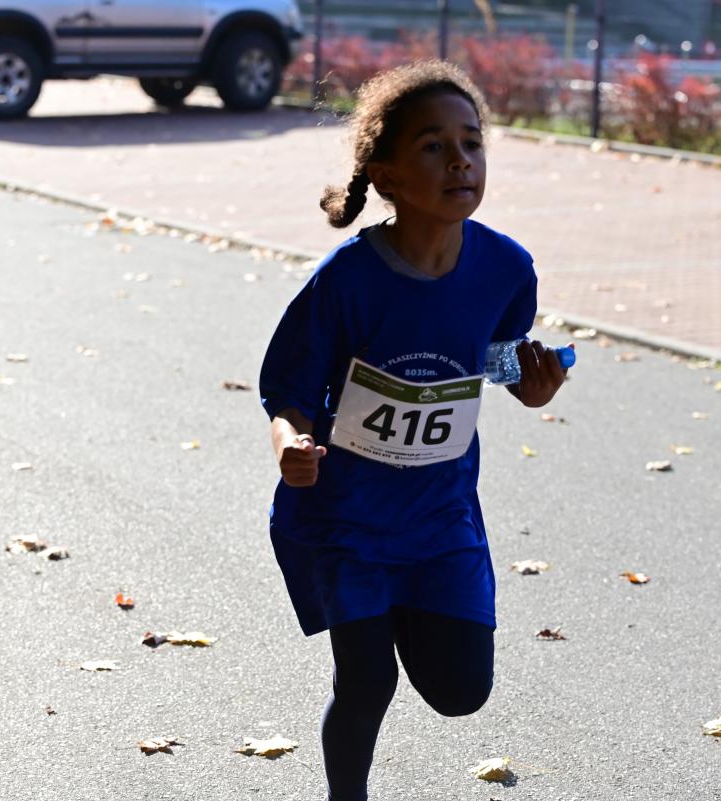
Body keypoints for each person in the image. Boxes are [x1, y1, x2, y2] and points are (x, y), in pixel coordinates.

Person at [258, 60, 570, 801]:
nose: (460, 159)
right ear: (388, 177)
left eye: (472, 142)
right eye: (434, 146)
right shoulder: (346, 281)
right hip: (349, 519)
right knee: (367, 681)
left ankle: (399, 604)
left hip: (439, 520)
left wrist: (530, 387)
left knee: (462, 690)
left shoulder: (506, 269)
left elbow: (494, 357)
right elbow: (289, 393)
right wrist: (290, 446)